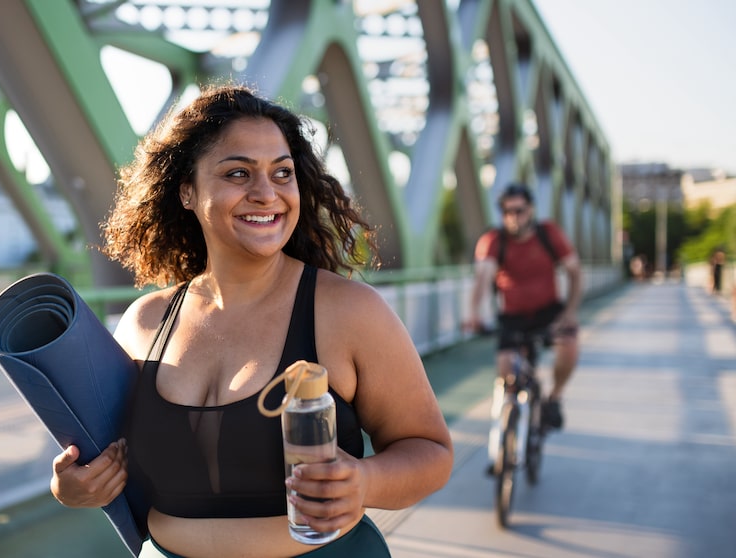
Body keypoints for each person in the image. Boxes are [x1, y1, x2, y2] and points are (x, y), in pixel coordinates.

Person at [50, 84, 453, 558]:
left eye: (282, 174)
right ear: (186, 192)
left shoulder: (349, 312)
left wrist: (364, 480)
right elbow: (104, 460)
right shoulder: (144, 323)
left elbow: (431, 452)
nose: (266, 194)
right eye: (238, 173)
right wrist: (74, 486)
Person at [464, 183, 582, 430]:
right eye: (507, 212)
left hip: (549, 310)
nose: (514, 218)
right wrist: (473, 314)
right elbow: (483, 278)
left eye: (519, 211)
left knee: (569, 347)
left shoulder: (548, 233)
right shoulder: (494, 240)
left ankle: (555, 398)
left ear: (531, 210)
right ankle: (506, 440)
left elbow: (574, 272)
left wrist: (570, 313)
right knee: (507, 374)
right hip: (513, 315)